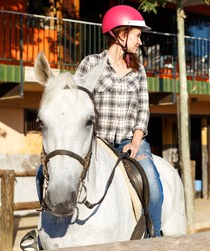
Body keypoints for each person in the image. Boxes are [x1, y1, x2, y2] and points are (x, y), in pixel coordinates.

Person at [74, 5, 163, 237]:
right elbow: (76, 104)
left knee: (152, 186)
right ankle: (44, 231)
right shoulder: (90, 64)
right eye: (137, 35)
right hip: (96, 142)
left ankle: (155, 238)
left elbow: (142, 111)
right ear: (121, 35)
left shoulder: (138, 70)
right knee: (45, 172)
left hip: (128, 140)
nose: (140, 42)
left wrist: (135, 143)